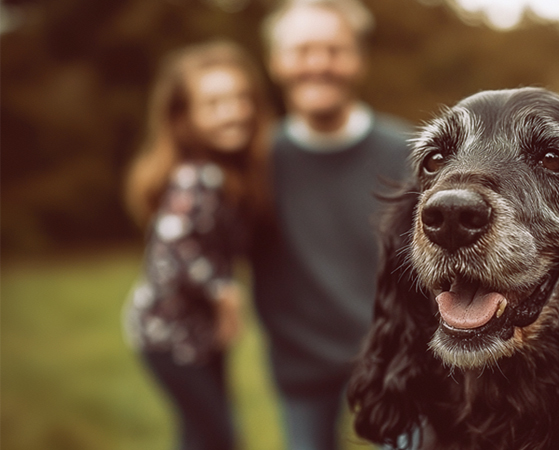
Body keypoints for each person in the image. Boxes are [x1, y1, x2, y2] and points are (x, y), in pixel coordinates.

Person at [253, 1, 412, 449]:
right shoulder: (255, 164)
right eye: (302, 50)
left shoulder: (409, 154)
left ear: (358, 60)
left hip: (398, 357)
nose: (319, 63)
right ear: (276, 61)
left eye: (334, 49)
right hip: (300, 364)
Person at [123, 40, 273, 450]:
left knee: (199, 435)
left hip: (200, 337)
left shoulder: (232, 174)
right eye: (214, 103)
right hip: (165, 337)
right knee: (221, 437)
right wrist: (223, 291)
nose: (233, 112)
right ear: (184, 117)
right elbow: (175, 249)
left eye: (241, 98)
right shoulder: (197, 177)